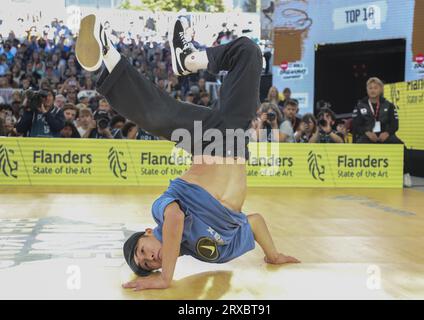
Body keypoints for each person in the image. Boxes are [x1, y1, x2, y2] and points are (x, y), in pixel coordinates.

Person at [76, 14, 299, 290]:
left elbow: (176, 219)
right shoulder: (211, 251)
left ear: (148, 233)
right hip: (235, 137)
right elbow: (253, 222)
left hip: (208, 142)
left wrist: (167, 277)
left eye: (143, 250)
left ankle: (107, 55)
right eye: (148, 263)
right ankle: (189, 60)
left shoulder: (161, 211)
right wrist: (272, 255)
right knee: (249, 52)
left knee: (159, 115)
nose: (150, 256)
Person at [352, 77, 411, 187]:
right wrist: (366, 132)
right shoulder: (360, 105)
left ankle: (405, 174)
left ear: (381, 89)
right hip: (368, 136)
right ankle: (357, 174)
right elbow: (355, 125)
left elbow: (395, 124)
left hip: (385, 135)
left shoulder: (389, 105)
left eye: (375, 87)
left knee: (402, 148)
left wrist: (387, 133)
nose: (373, 90)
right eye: (370, 88)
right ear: (367, 90)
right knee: (356, 147)